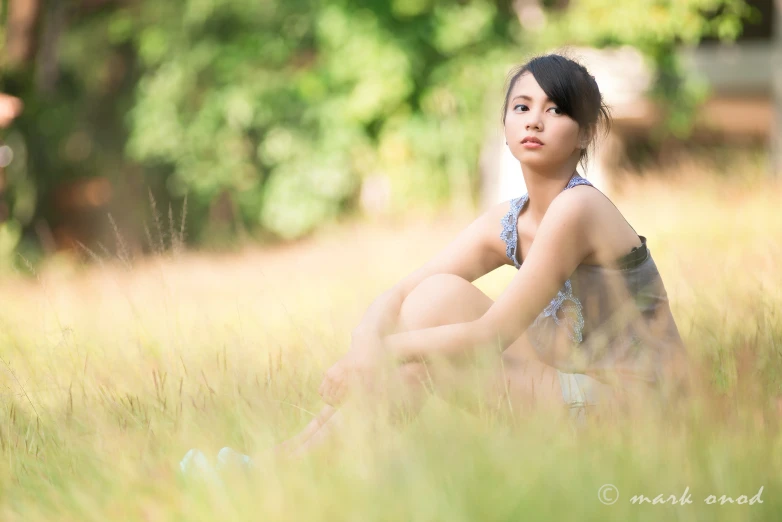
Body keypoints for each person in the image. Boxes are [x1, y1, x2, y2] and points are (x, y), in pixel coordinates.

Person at [180, 53, 690, 474]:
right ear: (506, 123)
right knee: (432, 296)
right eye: (522, 106)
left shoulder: (579, 209)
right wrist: (365, 347)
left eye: (557, 110)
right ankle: (278, 467)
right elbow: (401, 294)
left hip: (636, 414)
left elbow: (490, 334)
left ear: (582, 136)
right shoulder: (510, 220)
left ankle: (278, 473)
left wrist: (380, 355)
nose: (535, 119)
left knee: (425, 361)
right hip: (568, 385)